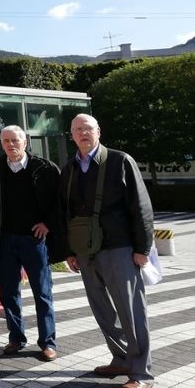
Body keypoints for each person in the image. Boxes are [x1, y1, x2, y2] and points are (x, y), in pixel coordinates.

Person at [58, 114, 154, 388]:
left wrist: (142, 248)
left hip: (119, 247)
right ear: (72, 135)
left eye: (87, 128)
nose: (82, 133)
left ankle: (141, 374)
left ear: (98, 131)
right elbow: (65, 213)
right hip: (85, 250)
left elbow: (141, 206)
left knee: (131, 311)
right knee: (101, 310)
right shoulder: (69, 169)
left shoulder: (120, 160)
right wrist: (69, 251)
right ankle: (121, 358)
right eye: (77, 130)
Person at [0, 125, 61, 361]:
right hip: (5, 241)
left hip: (35, 240)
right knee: (9, 293)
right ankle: (16, 337)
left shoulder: (44, 169)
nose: (11, 145)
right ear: (1, 144)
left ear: (25, 142)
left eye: (15, 140)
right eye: (6, 141)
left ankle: (48, 342)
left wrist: (48, 224)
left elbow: (61, 201)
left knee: (42, 292)